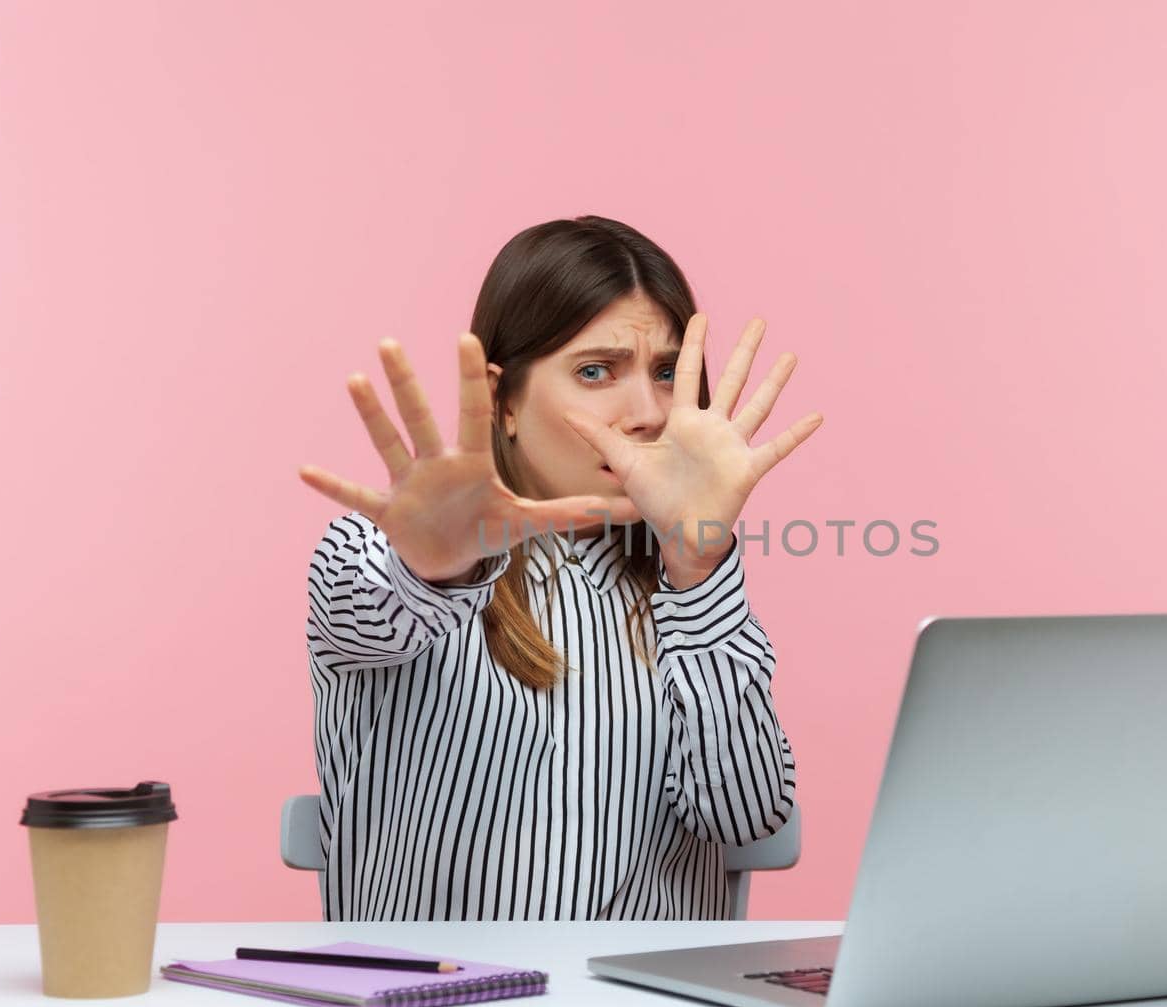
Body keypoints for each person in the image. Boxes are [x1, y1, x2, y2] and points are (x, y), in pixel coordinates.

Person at [297, 215, 822, 920]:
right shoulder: (374, 549)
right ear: (503, 399)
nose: (647, 412)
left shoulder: (687, 588)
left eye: (667, 373)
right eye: (596, 371)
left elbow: (746, 816)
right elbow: (367, 613)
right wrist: (437, 568)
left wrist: (698, 567)